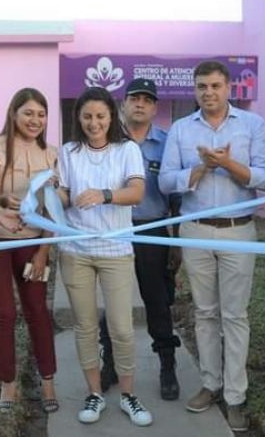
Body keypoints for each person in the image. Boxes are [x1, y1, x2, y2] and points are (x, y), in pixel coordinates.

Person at [159, 60, 265, 432]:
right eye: (201, 87)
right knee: (205, 313)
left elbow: (264, 176)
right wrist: (199, 170)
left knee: (235, 316)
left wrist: (228, 164)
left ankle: (236, 396)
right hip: (195, 230)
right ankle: (211, 384)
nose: (208, 93)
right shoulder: (179, 129)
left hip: (239, 231)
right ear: (194, 90)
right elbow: (164, 182)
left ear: (228, 89)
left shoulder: (252, 125)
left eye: (214, 86)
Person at [56, 87, 152, 426]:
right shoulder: (68, 151)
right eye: (86, 117)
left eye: (100, 116)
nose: (93, 123)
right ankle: (95, 394)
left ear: (112, 116)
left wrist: (105, 194)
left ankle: (128, 395)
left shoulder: (127, 149)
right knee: (84, 328)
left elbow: (137, 192)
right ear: (77, 118)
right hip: (76, 251)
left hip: (115, 250)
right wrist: (52, 196)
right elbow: (64, 194)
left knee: (122, 328)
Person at [0, 88, 58, 413]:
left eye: (41, 114)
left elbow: (54, 211)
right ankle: (8, 385)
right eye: (28, 113)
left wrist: (42, 251)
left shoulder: (51, 154)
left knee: (37, 311)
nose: (35, 120)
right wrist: (1, 203)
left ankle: (48, 380)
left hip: (32, 242)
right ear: (13, 114)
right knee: (4, 314)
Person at [97, 78, 182, 401]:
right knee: (113, 301)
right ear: (124, 103)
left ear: (155, 107)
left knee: (157, 300)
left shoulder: (166, 143)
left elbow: (175, 197)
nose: (141, 104)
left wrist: (176, 244)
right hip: (115, 230)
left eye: (148, 100)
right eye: (135, 98)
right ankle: (111, 364)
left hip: (153, 230)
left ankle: (167, 364)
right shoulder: (107, 141)